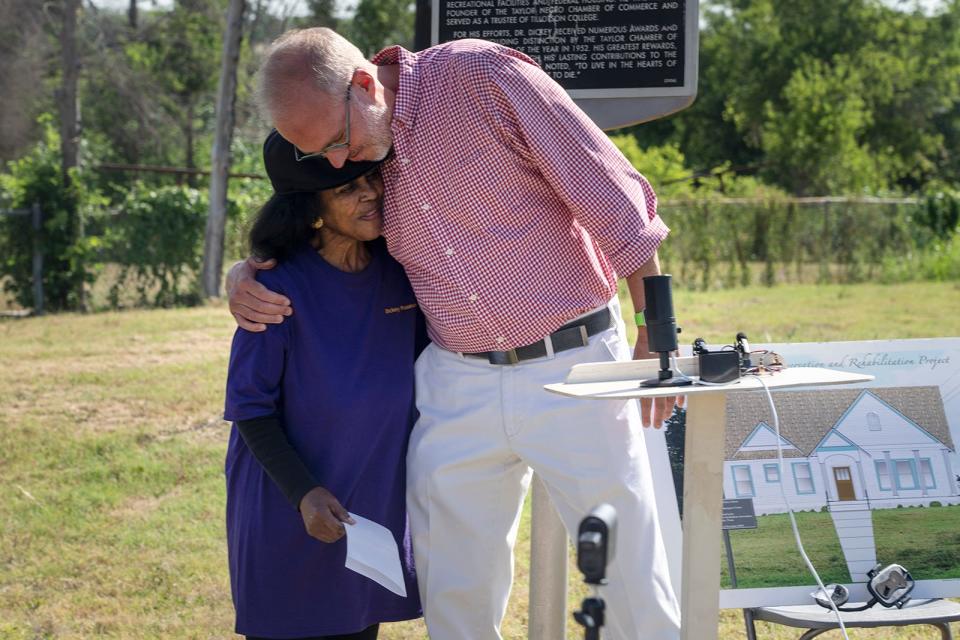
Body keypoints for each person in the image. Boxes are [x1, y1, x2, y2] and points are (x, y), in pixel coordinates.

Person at [229, 29, 681, 639]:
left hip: (573, 361)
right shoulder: (357, 146)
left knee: (625, 562)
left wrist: (658, 331)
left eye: (338, 143)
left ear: (365, 86)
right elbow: (310, 221)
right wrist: (243, 273)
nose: (340, 164)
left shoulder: (481, 76)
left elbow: (618, 202)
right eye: (323, 157)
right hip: (455, 379)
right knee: (454, 583)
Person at [223, 129, 422, 640]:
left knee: (358, 627)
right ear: (311, 210)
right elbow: (251, 408)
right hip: (291, 505)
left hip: (371, 510)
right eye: (346, 190)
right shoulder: (273, 290)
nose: (370, 193)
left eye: (371, 178)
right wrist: (304, 493)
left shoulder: (401, 274)